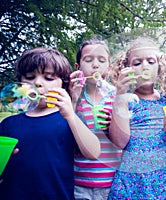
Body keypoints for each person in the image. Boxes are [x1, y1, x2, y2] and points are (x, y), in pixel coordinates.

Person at [0, 47, 100, 199]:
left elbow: (93, 153)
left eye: (48, 78)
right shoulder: (8, 123)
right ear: (20, 82)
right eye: (29, 77)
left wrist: (71, 116)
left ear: (63, 84)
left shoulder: (68, 119)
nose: (38, 83)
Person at [107, 37, 166, 199]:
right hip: (132, 186)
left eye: (151, 61)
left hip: (164, 186)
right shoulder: (125, 101)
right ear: (126, 69)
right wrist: (120, 94)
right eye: (137, 63)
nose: (145, 67)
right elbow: (119, 142)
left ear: (160, 67)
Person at [70, 39, 122, 200]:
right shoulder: (73, 96)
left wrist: (116, 122)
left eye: (101, 60)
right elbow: (64, 132)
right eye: (88, 59)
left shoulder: (117, 95)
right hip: (80, 183)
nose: (95, 65)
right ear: (78, 67)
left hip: (112, 182)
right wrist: (73, 99)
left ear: (109, 67)